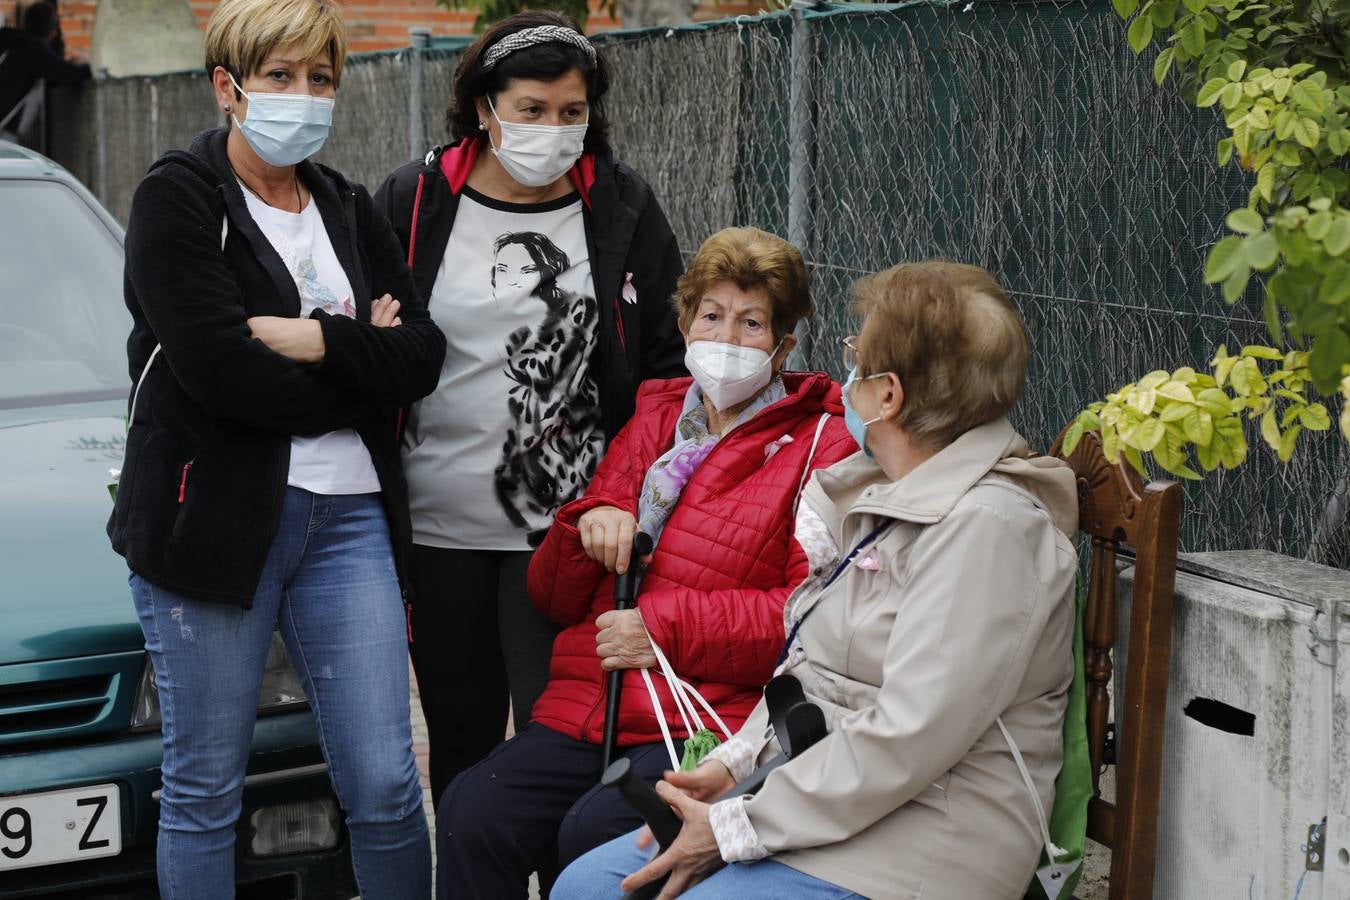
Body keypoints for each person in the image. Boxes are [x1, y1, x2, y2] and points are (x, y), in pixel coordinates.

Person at [554, 261, 1080, 900]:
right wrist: (732, 767)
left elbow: (908, 740)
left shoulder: (990, 529)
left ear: (887, 396)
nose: (846, 372)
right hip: (824, 806)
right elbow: (808, 671)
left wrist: (739, 826)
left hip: (924, 841)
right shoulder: (887, 494)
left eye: (858, 354)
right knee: (585, 887)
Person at [106, 1, 445, 896]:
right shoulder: (176, 196)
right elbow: (220, 372)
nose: (305, 96)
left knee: (383, 781)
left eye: (320, 79)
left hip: (348, 524)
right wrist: (357, 358)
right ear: (230, 87)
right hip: (211, 524)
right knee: (205, 786)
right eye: (282, 77)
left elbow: (422, 355)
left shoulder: (344, 204)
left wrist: (314, 340)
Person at [436, 227, 857, 900]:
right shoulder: (657, 417)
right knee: (472, 812)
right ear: (685, 322)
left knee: (599, 834)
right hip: (589, 703)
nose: (726, 337)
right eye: (712, 316)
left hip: (707, 721)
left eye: (751, 323)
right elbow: (552, 597)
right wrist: (582, 531)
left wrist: (661, 628)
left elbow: (809, 616)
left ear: (783, 345)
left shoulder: (819, 442)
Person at [374, 9, 687, 803]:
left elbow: (663, 370)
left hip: (568, 537)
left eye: (571, 113)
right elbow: (376, 342)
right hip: (439, 530)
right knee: (462, 740)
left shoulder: (622, 208)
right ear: (485, 108)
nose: (553, 129)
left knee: (561, 744)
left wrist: (620, 497)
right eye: (533, 111)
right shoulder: (415, 201)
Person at [0, 1, 89, 145]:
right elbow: (72, 75)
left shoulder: (5, 36)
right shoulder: (36, 52)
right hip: (4, 134)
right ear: (52, 33)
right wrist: (84, 62)